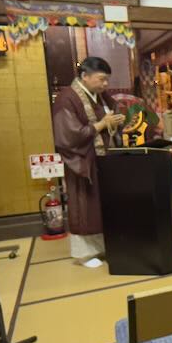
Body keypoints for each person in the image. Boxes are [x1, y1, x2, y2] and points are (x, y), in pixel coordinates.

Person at [51, 56, 124, 267]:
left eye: (107, 79)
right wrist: (102, 124)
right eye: (101, 79)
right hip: (83, 160)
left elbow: (113, 112)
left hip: (103, 159)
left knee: (102, 205)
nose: (105, 84)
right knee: (85, 206)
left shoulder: (100, 95)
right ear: (85, 76)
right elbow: (68, 136)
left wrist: (116, 121)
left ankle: (102, 247)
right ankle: (84, 254)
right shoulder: (67, 98)